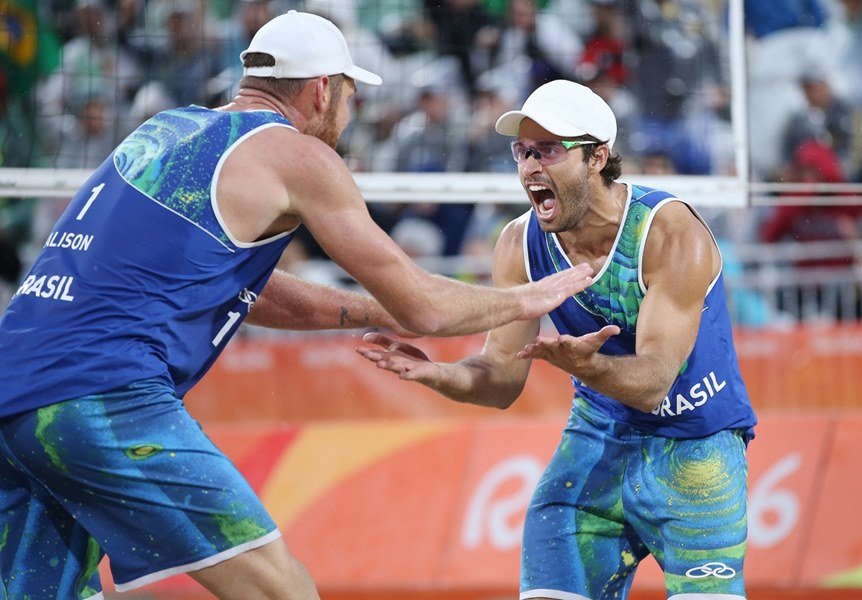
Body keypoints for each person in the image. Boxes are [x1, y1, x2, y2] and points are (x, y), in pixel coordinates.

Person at [0, 13, 595, 600]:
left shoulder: (163, 128)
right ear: (321, 90)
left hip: (13, 394)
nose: (351, 111)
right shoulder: (296, 156)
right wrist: (525, 297)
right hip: (103, 395)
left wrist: (371, 310)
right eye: (351, 93)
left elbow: (242, 288)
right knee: (283, 592)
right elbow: (425, 311)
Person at [358, 79, 758, 600]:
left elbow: (655, 381)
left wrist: (588, 369)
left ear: (598, 157)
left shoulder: (668, 232)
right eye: (521, 151)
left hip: (696, 448)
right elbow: (500, 379)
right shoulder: (517, 244)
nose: (528, 167)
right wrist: (439, 373)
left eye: (547, 150)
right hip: (598, 442)